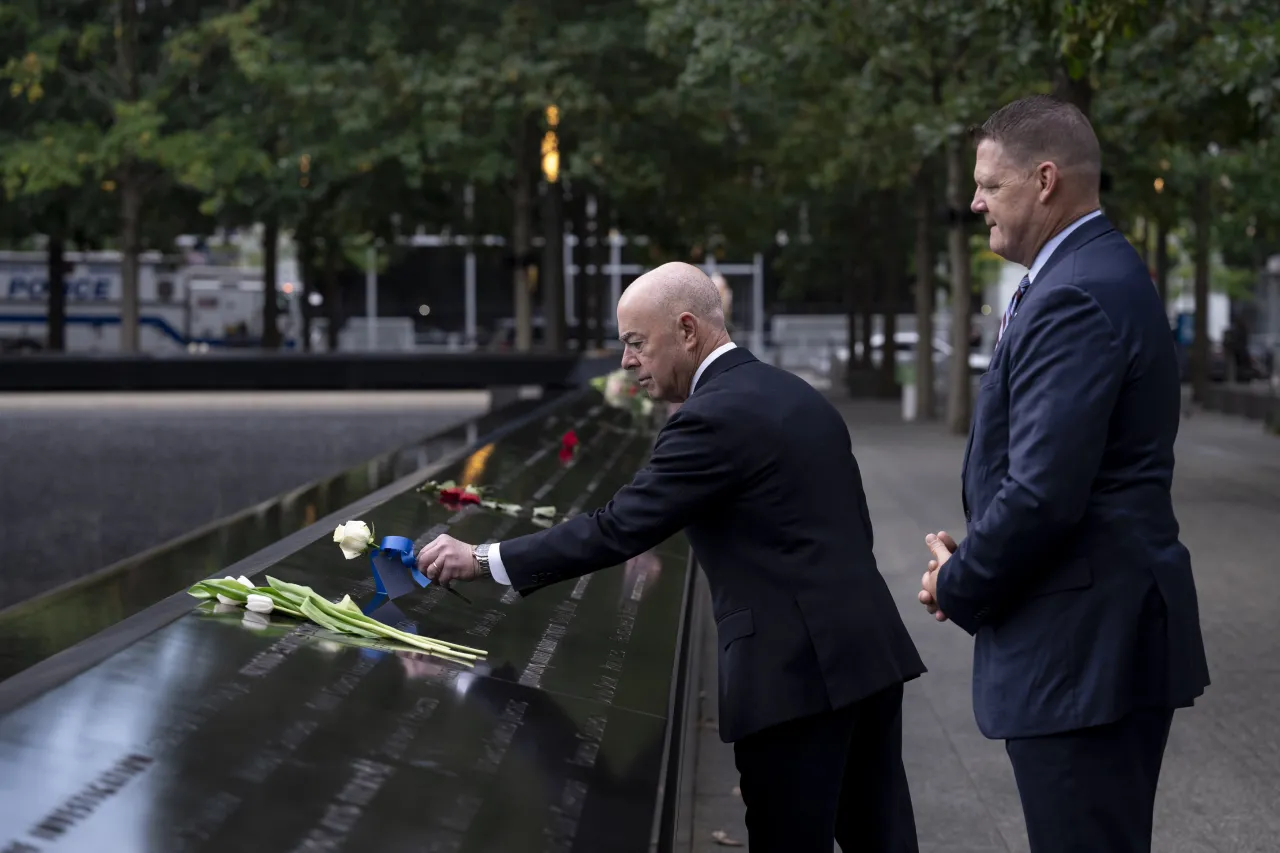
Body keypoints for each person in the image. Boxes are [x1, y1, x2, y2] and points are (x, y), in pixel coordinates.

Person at [419, 262, 925, 853]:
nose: (627, 361)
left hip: (793, 679)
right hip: (867, 654)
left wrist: (481, 557)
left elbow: (617, 528)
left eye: (636, 343)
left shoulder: (712, 416)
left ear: (687, 329)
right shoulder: (791, 393)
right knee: (882, 839)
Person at [917, 95, 1210, 853]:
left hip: (1087, 649)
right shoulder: (1090, 271)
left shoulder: (1077, 289)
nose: (975, 201)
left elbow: (1044, 491)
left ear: (1045, 179)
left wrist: (959, 581)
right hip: (1093, 639)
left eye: (990, 184)